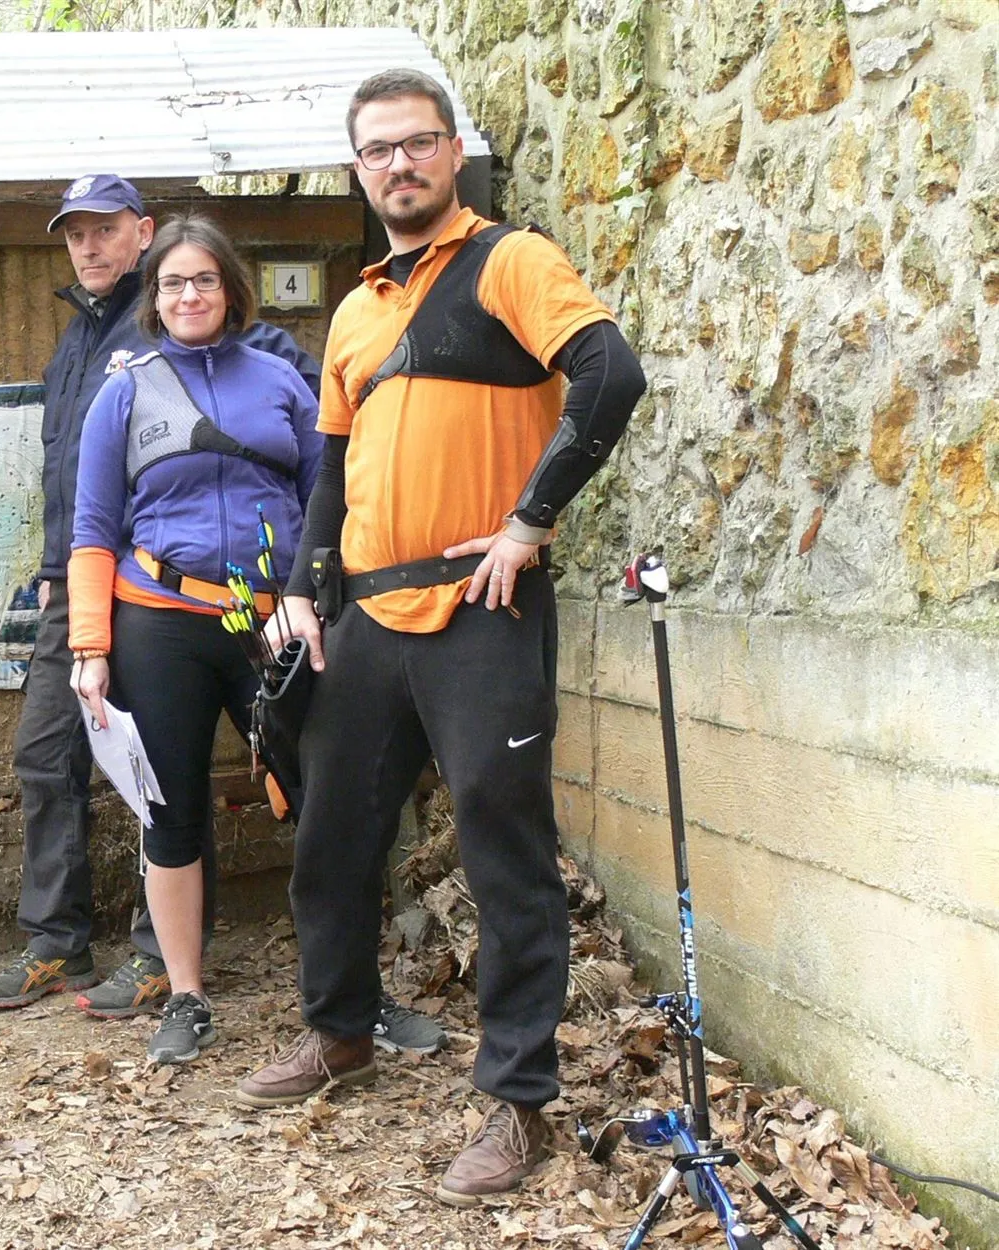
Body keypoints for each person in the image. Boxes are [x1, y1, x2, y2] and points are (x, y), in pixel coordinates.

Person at [234, 69, 646, 1205]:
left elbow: (609, 373)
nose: (398, 165)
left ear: (451, 151)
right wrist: (303, 589)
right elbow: (330, 468)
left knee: (503, 852)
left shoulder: (511, 261)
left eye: (416, 143)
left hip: (481, 610)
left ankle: (517, 1102)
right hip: (364, 615)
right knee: (330, 837)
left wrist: (529, 520)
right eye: (377, 150)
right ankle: (339, 1031)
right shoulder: (353, 311)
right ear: (356, 169)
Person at [0, 176, 328, 1022]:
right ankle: (66, 945)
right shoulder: (84, 350)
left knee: (293, 785)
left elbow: (322, 467)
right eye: (75, 233)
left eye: (105, 229)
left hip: (251, 602)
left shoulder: (263, 359)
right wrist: (76, 602)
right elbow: (82, 493)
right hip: (111, 588)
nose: (88, 246)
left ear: (144, 233)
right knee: (65, 763)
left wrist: (304, 590)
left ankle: (189, 962)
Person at [68, 215, 321, 1063]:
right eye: (172, 282)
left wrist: (308, 601)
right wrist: (89, 647)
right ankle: (184, 994)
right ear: (154, 295)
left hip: (269, 624)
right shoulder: (124, 392)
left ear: (230, 288)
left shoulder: (282, 382)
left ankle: (347, 990)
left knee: (321, 801)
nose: (188, 295)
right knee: (169, 812)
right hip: (159, 622)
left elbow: (325, 505)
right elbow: (92, 528)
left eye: (203, 280)